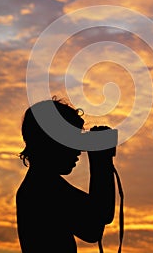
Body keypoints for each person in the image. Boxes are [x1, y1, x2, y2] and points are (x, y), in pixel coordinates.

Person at [16, 98, 116, 253]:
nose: (78, 151)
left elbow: (95, 223)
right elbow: (93, 226)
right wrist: (100, 161)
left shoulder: (38, 184)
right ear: (52, 142)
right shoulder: (43, 189)